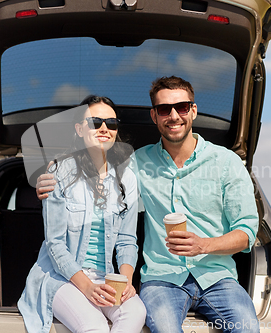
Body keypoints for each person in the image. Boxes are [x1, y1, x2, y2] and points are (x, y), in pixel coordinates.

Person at [37, 77, 259, 333]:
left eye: (182, 107)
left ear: (194, 111)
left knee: (248, 328)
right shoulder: (135, 163)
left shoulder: (227, 162)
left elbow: (246, 234)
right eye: (165, 109)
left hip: (218, 278)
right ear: (154, 116)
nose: (174, 116)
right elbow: (94, 171)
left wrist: (203, 245)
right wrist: (48, 179)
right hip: (162, 279)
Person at [18, 95, 146, 333]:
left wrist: (126, 281)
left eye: (111, 123)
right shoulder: (59, 172)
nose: (104, 128)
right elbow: (55, 244)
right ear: (79, 129)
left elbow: (128, 240)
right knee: (94, 325)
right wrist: (87, 287)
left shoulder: (127, 178)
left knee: (136, 312)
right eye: (95, 122)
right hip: (62, 277)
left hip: (107, 277)